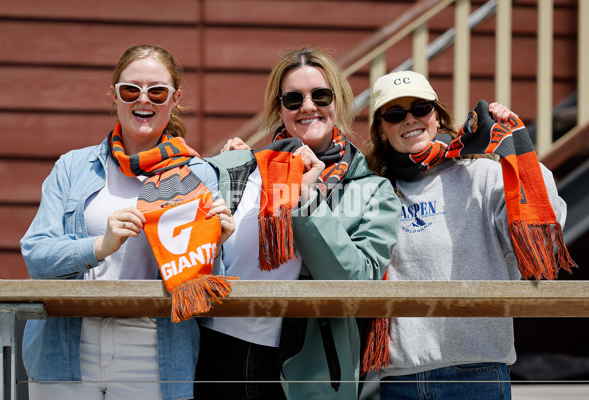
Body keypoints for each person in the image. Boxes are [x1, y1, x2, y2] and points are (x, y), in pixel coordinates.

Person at [20, 44, 235, 400]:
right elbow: (36, 255)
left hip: (153, 345)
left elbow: (203, 288)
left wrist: (217, 243)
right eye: (131, 90)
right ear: (115, 95)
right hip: (68, 345)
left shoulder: (199, 174)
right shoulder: (73, 167)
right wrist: (98, 246)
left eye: (157, 91)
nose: (144, 101)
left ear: (175, 98)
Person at [193, 47, 401, 399]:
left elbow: (358, 284)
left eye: (320, 95)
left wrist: (308, 200)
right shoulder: (243, 170)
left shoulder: (371, 190)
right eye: (293, 98)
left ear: (339, 102)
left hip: (311, 364)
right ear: (279, 109)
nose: (308, 106)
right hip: (222, 353)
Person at [365, 70, 576, 400]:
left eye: (420, 108)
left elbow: (548, 223)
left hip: (477, 370)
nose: (410, 120)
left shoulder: (483, 175)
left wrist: (518, 149)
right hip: (400, 378)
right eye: (395, 114)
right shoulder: (373, 191)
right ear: (380, 128)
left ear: (437, 116)